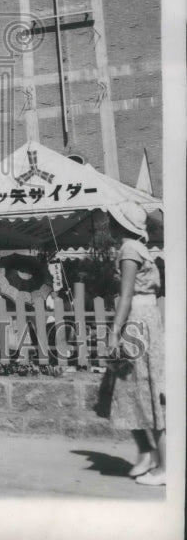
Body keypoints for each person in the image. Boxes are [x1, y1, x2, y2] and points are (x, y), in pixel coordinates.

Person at [106, 202, 165, 486]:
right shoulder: (140, 248)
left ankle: (163, 465)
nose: (108, 224)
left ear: (122, 225)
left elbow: (126, 296)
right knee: (134, 387)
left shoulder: (129, 250)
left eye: (112, 220)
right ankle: (148, 452)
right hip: (148, 318)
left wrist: (115, 331)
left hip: (137, 321)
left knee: (143, 388)